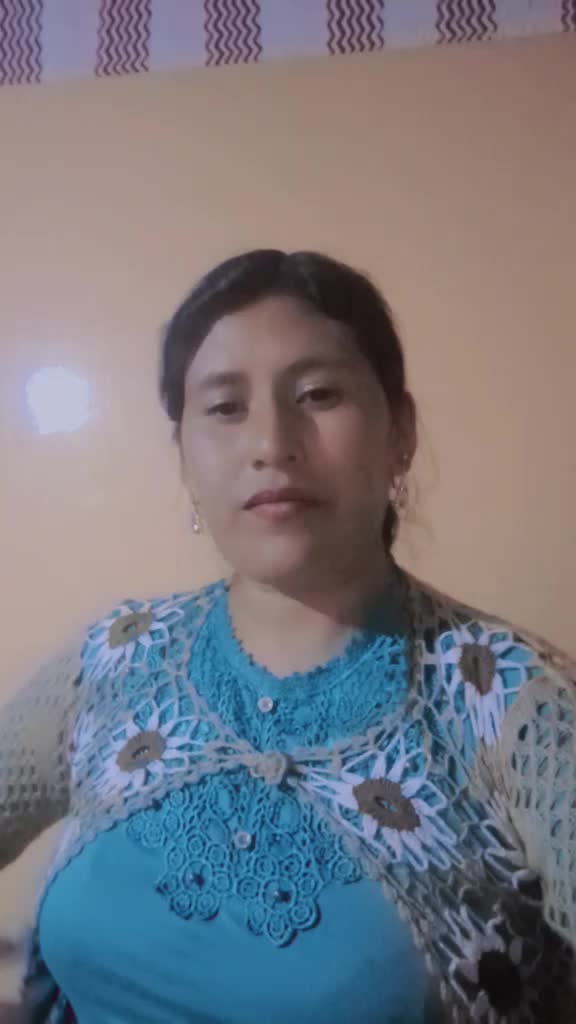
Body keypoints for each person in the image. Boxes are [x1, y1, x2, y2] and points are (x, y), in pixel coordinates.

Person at [0, 250, 575, 1024]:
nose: (271, 442)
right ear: (184, 457)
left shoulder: (514, 705)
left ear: (400, 432)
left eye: (318, 394)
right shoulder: (115, 660)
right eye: (224, 407)